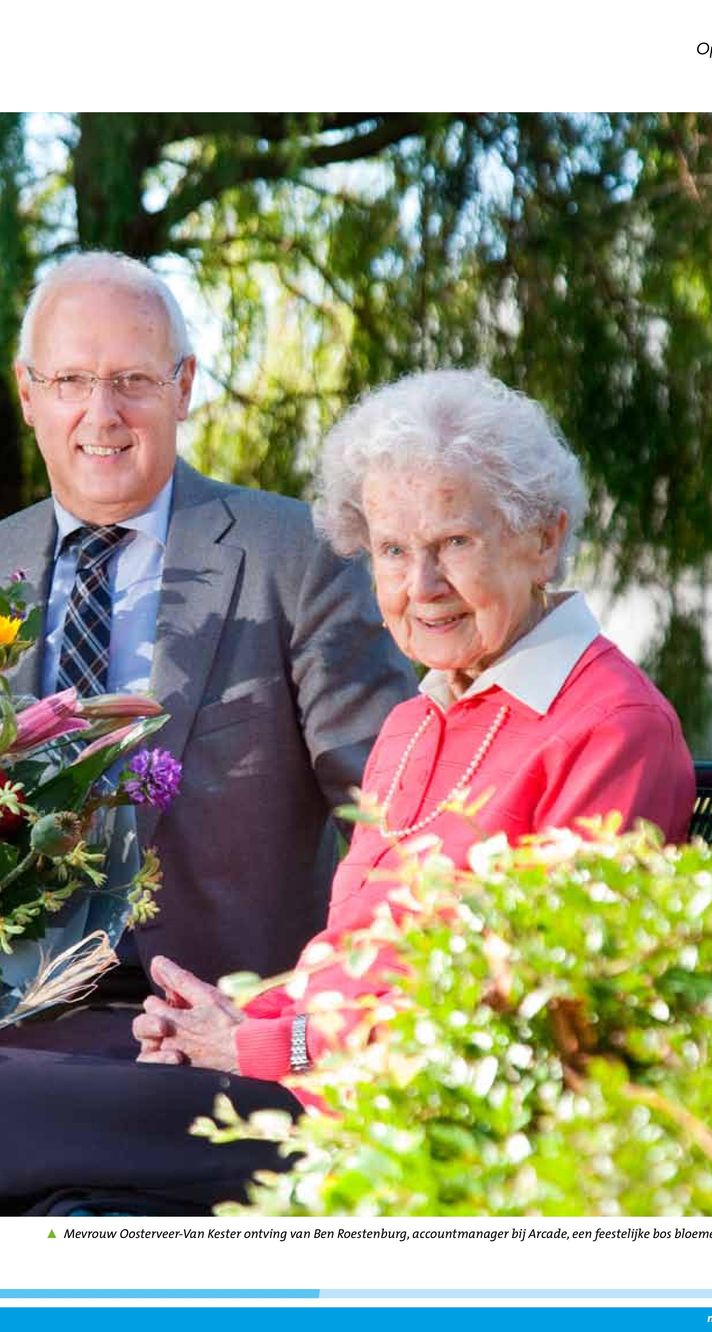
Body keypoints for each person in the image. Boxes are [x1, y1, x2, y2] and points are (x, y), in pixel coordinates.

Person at [0, 368, 694, 1215]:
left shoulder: (611, 729)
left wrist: (261, 1042)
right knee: (60, 1202)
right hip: (302, 1084)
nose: (421, 587)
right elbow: (358, 959)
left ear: (542, 539)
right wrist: (229, 1014)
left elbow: (528, 1023)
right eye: (394, 552)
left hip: (393, 1134)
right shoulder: (417, 721)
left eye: (455, 544)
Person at [0, 252, 414, 1058]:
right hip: (16, 1026)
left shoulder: (300, 556)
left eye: (134, 381)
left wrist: (314, 1033)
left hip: (217, 1035)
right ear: (27, 394)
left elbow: (387, 820)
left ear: (184, 386)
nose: (102, 412)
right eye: (71, 382)